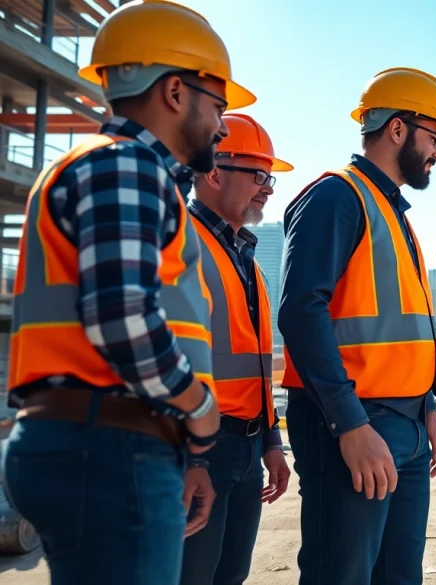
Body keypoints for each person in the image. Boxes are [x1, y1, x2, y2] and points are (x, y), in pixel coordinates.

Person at [0, 1, 251, 583]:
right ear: (173, 93)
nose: (220, 125)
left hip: (89, 439)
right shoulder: (128, 167)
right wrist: (201, 409)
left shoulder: (98, 167)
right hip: (110, 445)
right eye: (217, 106)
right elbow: (122, 319)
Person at [277, 67, 436, 585]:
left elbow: (399, 334)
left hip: (403, 425)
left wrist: (427, 410)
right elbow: (300, 312)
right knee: (343, 573)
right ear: (397, 129)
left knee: (399, 575)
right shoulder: (336, 196)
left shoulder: (394, 214)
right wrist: (350, 424)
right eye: (434, 137)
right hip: (352, 426)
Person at [180, 113, 293, 585]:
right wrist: (192, 459)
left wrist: (270, 442)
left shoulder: (247, 261)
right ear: (213, 173)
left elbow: (252, 366)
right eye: (258, 175)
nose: (268, 188)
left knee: (230, 577)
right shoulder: (180, 242)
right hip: (200, 449)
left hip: (245, 449)